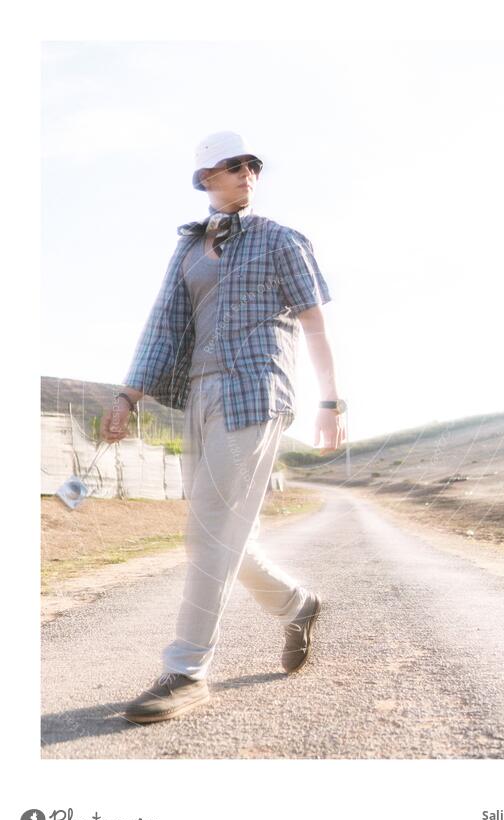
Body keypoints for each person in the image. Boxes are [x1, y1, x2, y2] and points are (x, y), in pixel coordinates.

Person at [99, 130, 347, 724]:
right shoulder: (187, 249)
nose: (246, 174)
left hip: (256, 394)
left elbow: (315, 324)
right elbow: (162, 328)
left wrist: (331, 402)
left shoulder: (281, 239)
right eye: (232, 166)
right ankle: (297, 605)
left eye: (252, 165)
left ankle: (186, 670)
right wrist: (127, 397)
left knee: (207, 532)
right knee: (229, 534)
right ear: (205, 178)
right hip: (200, 396)